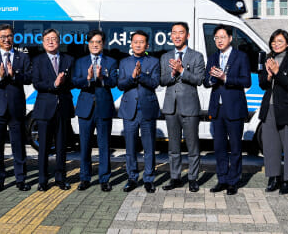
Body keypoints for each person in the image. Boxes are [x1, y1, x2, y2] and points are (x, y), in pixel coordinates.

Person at [0, 24, 32, 192]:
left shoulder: (22, 57)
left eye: (9, 36)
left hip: (16, 107)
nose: (6, 40)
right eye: (3, 37)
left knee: (18, 145)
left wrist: (14, 75)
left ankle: (21, 179)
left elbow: (28, 78)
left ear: (14, 37)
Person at [204, 25, 251, 196]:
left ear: (230, 38)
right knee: (219, 147)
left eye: (222, 37)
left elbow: (246, 81)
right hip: (217, 108)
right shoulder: (213, 57)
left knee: (236, 147)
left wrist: (225, 78)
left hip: (234, 108)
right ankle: (222, 179)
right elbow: (206, 81)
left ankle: (233, 181)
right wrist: (211, 79)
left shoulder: (241, 57)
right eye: (216, 37)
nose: (219, 40)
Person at [160, 22, 205, 193]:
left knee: (193, 146)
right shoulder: (165, 56)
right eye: (174, 33)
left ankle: (193, 178)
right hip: (171, 107)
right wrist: (172, 74)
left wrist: (182, 71)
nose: (177, 36)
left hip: (190, 107)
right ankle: (175, 177)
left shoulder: (197, 56)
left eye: (181, 32)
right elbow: (162, 80)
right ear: (170, 35)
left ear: (188, 35)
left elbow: (199, 79)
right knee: (173, 147)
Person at [72, 29, 119, 192]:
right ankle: (85, 178)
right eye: (92, 42)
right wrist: (87, 79)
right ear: (88, 44)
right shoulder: (80, 61)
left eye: (98, 42)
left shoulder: (111, 61)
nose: (95, 45)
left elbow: (114, 82)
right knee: (85, 145)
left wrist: (101, 78)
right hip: (85, 108)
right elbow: (75, 81)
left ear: (103, 44)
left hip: (103, 107)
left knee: (104, 145)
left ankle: (104, 179)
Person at [257, 29, 288, 195]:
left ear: (287, 44)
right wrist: (268, 76)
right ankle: (273, 177)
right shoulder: (267, 59)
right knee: (270, 146)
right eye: (274, 41)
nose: (276, 44)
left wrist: (277, 72)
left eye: (280, 41)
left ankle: (287, 179)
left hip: (287, 109)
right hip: (269, 108)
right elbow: (262, 84)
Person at [31, 28, 75, 191]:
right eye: (47, 39)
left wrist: (64, 83)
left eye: (54, 39)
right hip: (44, 109)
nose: (51, 41)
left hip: (62, 108)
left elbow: (73, 82)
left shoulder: (69, 59)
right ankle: (42, 180)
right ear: (43, 42)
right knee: (43, 147)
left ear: (59, 41)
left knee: (62, 147)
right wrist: (54, 84)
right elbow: (36, 83)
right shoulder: (37, 60)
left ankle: (60, 178)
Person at [117, 30, 161, 193]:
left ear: (147, 45)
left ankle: (149, 178)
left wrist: (140, 75)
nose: (138, 44)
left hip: (147, 109)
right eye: (135, 42)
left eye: (141, 42)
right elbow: (121, 85)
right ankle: (132, 177)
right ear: (131, 44)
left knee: (149, 147)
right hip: (129, 110)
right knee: (130, 147)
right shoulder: (124, 62)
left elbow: (155, 83)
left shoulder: (154, 62)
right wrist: (132, 77)